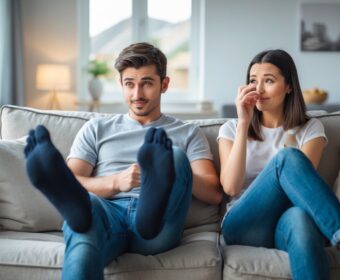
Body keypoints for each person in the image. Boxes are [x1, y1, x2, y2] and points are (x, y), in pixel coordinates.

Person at [24, 42, 222, 280]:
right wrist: (117, 182)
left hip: (161, 224)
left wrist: (170, 172)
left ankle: (150, 210)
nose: (137, 94)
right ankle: (80, 212)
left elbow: (214, 194)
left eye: (147, 83)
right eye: (130, 84)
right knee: (85, 225)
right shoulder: (96, 128)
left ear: (165, 84)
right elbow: (74, 178)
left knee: (175, 157)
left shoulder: (188, 132)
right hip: (107, 213)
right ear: (121, 84)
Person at [217, 49, 340, 280]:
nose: (259, 89)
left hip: (286, 222)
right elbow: (231, 188)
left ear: (289, 86)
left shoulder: (310, 128)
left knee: (301, 219)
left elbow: (303, 192)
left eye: (269, 81)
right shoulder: (231, 129)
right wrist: (244, 122)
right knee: (288, 158)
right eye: (253, 81)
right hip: (244, 225)